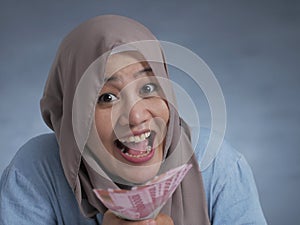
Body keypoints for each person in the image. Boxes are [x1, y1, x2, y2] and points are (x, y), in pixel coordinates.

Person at [0, 15, 267, 224]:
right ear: (72, 116)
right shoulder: (36, 171)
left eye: (148, 88)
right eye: (107, 98)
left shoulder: (217, 166)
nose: (137, 117)